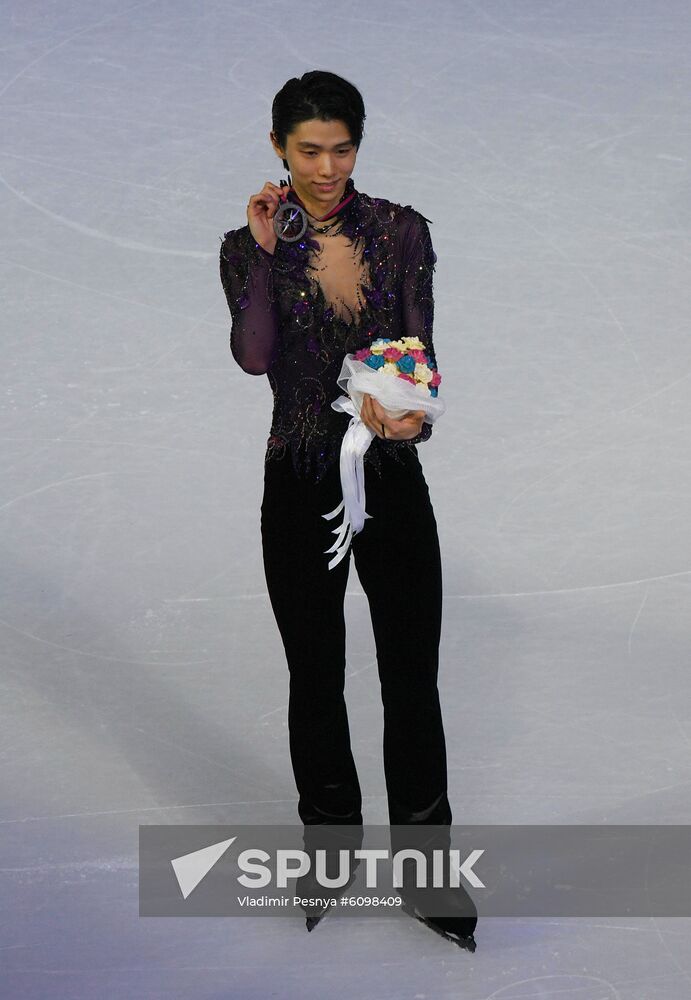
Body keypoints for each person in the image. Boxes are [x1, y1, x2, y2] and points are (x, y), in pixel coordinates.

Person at [219, 70, 477, 950]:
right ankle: (330, 851)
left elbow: (421, 355)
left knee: (412, 674)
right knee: (315, 674)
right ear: (278, 149)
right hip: (298, 477)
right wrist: (261, 252)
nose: (326, 168)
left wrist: (409, 414)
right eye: (307, 150)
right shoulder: (244, 243)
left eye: (341, 148)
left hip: (390, 478)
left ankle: (425, 870)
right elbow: (255, 358)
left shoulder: (399, 232)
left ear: (358, 145)